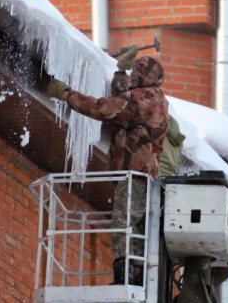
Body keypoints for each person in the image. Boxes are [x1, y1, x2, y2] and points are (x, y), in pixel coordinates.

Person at [46, 46, 169, 285]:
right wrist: (120, 70)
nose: (132, 76)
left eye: (136, 72)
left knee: (124, 224)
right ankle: (131, 272)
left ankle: (126, 275)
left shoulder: (145, 102)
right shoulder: (151, 98)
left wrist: (66, 94)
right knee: (131, 225)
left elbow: (104, 107)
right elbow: (123, 97)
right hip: (139, 174)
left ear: (146, 77)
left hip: (136, 175)